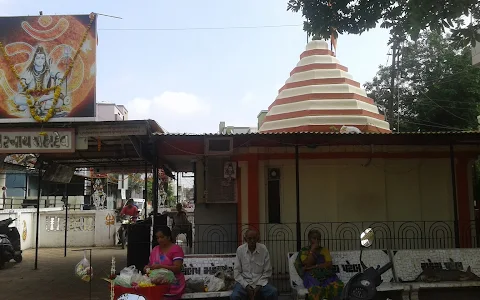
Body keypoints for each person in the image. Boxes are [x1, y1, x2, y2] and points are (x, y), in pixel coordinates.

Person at [294, 229, 343, 300]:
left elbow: (329, 264)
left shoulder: (324, 250)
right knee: (316, 290)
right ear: (309, 239)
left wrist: (315, 266)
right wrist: (312, 251)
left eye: (318, 238)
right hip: (311, 276)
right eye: (314, 238)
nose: (316, 240)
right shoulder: (304, 250)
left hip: (324, 274)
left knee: (337, 286)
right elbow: (307, 264)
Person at [231, 229, 278, 300]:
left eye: (254, 238)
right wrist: (246, 286)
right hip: (244, 282)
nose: (252, 241)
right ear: (245, 239)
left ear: (258, 239)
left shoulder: (263, 249)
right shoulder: (240, 250)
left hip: (260, 282)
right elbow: (237, 272)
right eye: (249, 238)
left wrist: (259, 286)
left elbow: (267, 272)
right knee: (235, 296)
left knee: (273, 292)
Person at [144, 226, 185, 299]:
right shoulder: (155, 249)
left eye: (162, 237)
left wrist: (160, 266)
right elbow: (150, 265)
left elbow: (177, 268)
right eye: (158, 238)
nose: (159, 240)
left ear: (168, 237)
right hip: (156, 284)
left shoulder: (176, 249)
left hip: (173, 286)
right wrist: (147, 268)